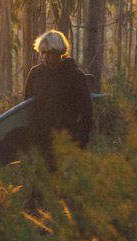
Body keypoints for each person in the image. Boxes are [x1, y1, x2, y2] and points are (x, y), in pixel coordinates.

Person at [24, 30, 93, 170]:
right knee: (41, 186)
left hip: (67, 139)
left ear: (60, 52)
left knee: (63, 186)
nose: (46, 57)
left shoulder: (75, 76)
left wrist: (80, 142)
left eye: (50, 53)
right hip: (41, 139)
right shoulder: (36, 73)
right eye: (43, 53)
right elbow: (27, 106)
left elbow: (86, 112)